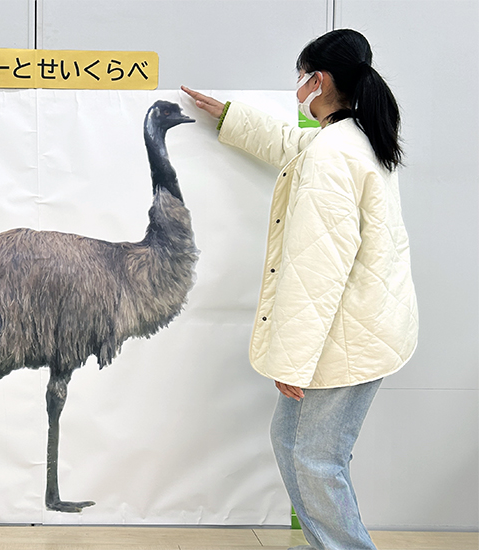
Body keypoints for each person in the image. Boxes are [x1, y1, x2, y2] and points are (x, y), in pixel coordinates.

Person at [183, 29, 418, 550]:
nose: (296, 90)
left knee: (314, 459)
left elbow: (318, 270)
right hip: (366, 326)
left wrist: (293, 363)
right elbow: (294, 146)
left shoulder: (334, 155)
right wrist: (230, 116)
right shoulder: (353, 139)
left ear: (319, 81)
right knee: (296, 445)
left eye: (300, 78)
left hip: (347, 335)